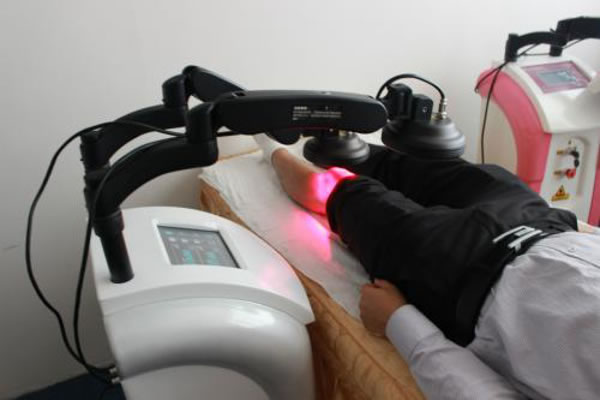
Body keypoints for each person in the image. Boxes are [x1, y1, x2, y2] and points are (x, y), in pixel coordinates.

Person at [254, 134, 600, 400]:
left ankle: (268, 143)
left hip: (464, 273)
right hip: (547, 226)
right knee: (419, 165)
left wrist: (399, 321)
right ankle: (314, 133)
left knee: (348, 195)